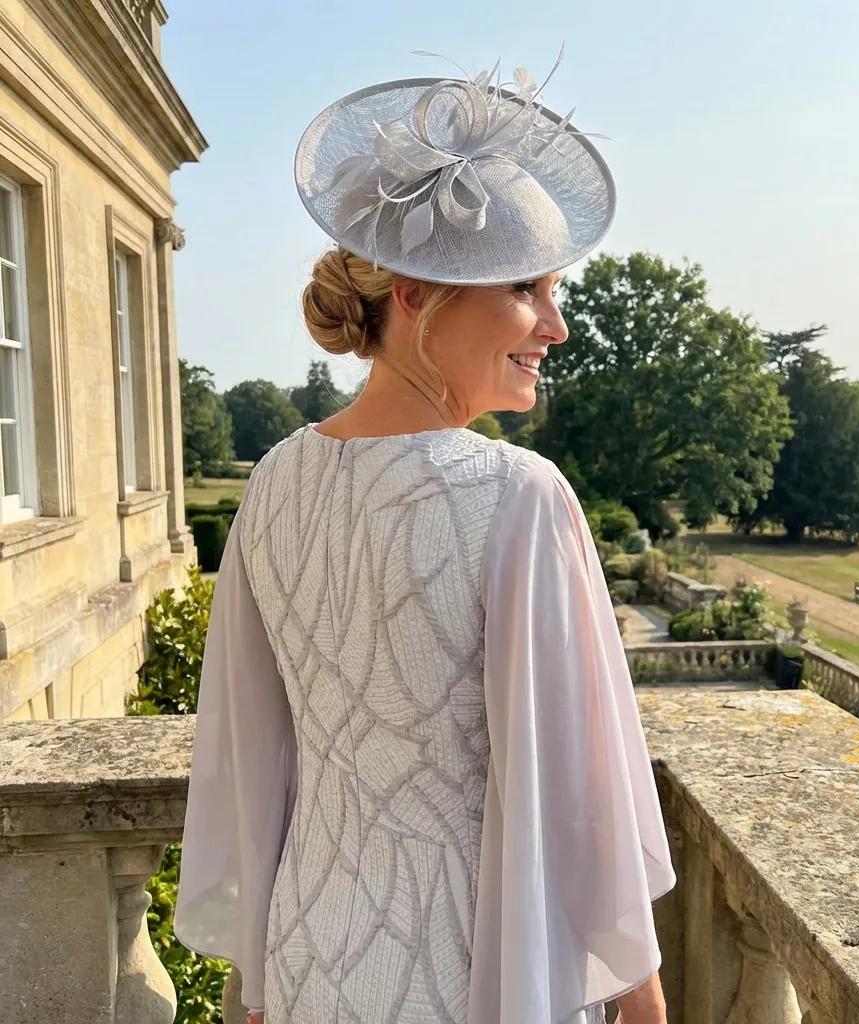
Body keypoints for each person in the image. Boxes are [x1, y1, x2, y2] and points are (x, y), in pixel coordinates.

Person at [173, 48, 676, 1024]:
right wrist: (642, 997)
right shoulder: (521, 496)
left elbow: (250, 756)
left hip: (310, 957)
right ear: (416, 294)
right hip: (475, 967)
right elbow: (585, 801)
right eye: (527, 289)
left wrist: (254, 985)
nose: (556, 325)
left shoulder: (271, 482)